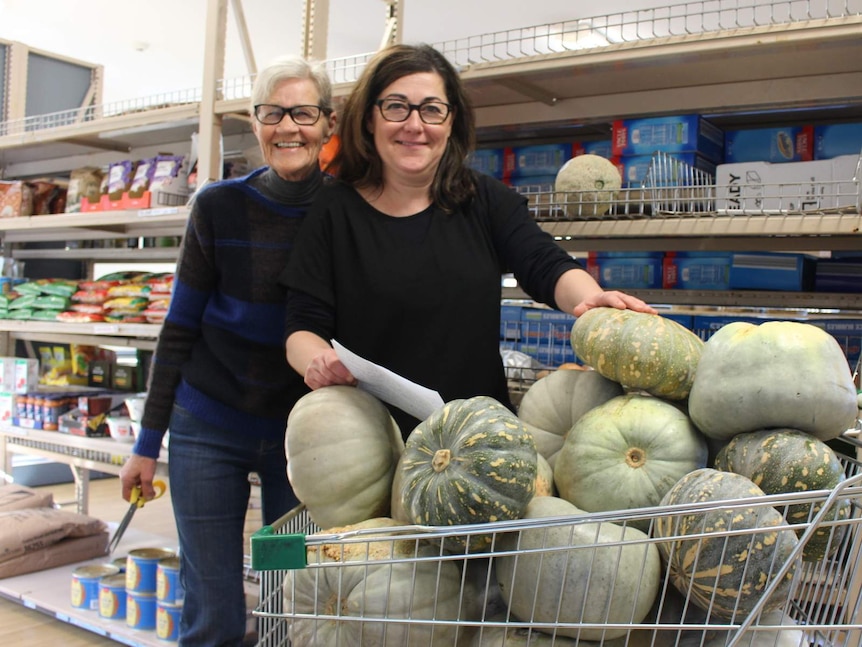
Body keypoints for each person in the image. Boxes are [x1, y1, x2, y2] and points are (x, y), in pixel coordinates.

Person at [280, 43, 654, 439]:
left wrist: (591, 301)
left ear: (451, 120)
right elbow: (301, 326)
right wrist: (318, 361)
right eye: (396, 106)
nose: (414, 124)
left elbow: (545, 263)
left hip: (481, 444)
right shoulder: (334, 211)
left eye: (431, 109)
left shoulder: (484, 200)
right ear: (370, 118)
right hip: (370, 444)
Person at [119, 55, 336, 646]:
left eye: (304, 112)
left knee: (284, 594)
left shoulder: (345, 211)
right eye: (273, 113)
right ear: (255, 120)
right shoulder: (216, 206)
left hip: (302, 443)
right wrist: (146, 444)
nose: (288, 126)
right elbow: (180, 327)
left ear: (327, 124)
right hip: (207, 428)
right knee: (212, 604)